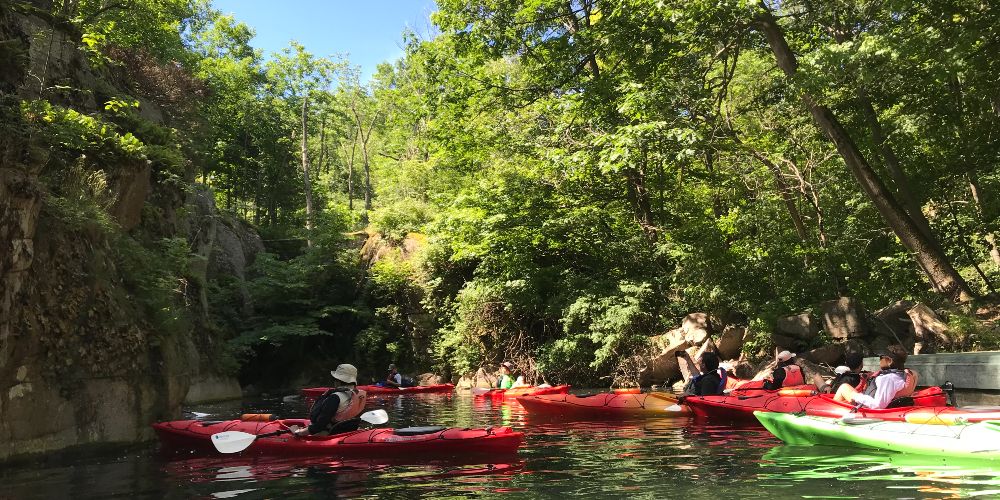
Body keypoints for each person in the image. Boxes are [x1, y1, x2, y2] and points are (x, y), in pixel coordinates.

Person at [290, 364, 365, 437]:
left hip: (329, 433)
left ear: (337, 381)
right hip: (348, 431)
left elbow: (319, 427)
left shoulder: (334, 398)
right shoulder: (358, 395)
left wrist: (298, 432)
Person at [833, 345, 909, 409]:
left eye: (881, 357)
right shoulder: (900, 375)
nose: (879, 361)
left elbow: (878, 405)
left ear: (889, 361)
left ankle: (831, 413)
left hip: (867, 408)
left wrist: (856, 396)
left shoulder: (888, 379)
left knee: (844, 387)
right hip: (874, 402)